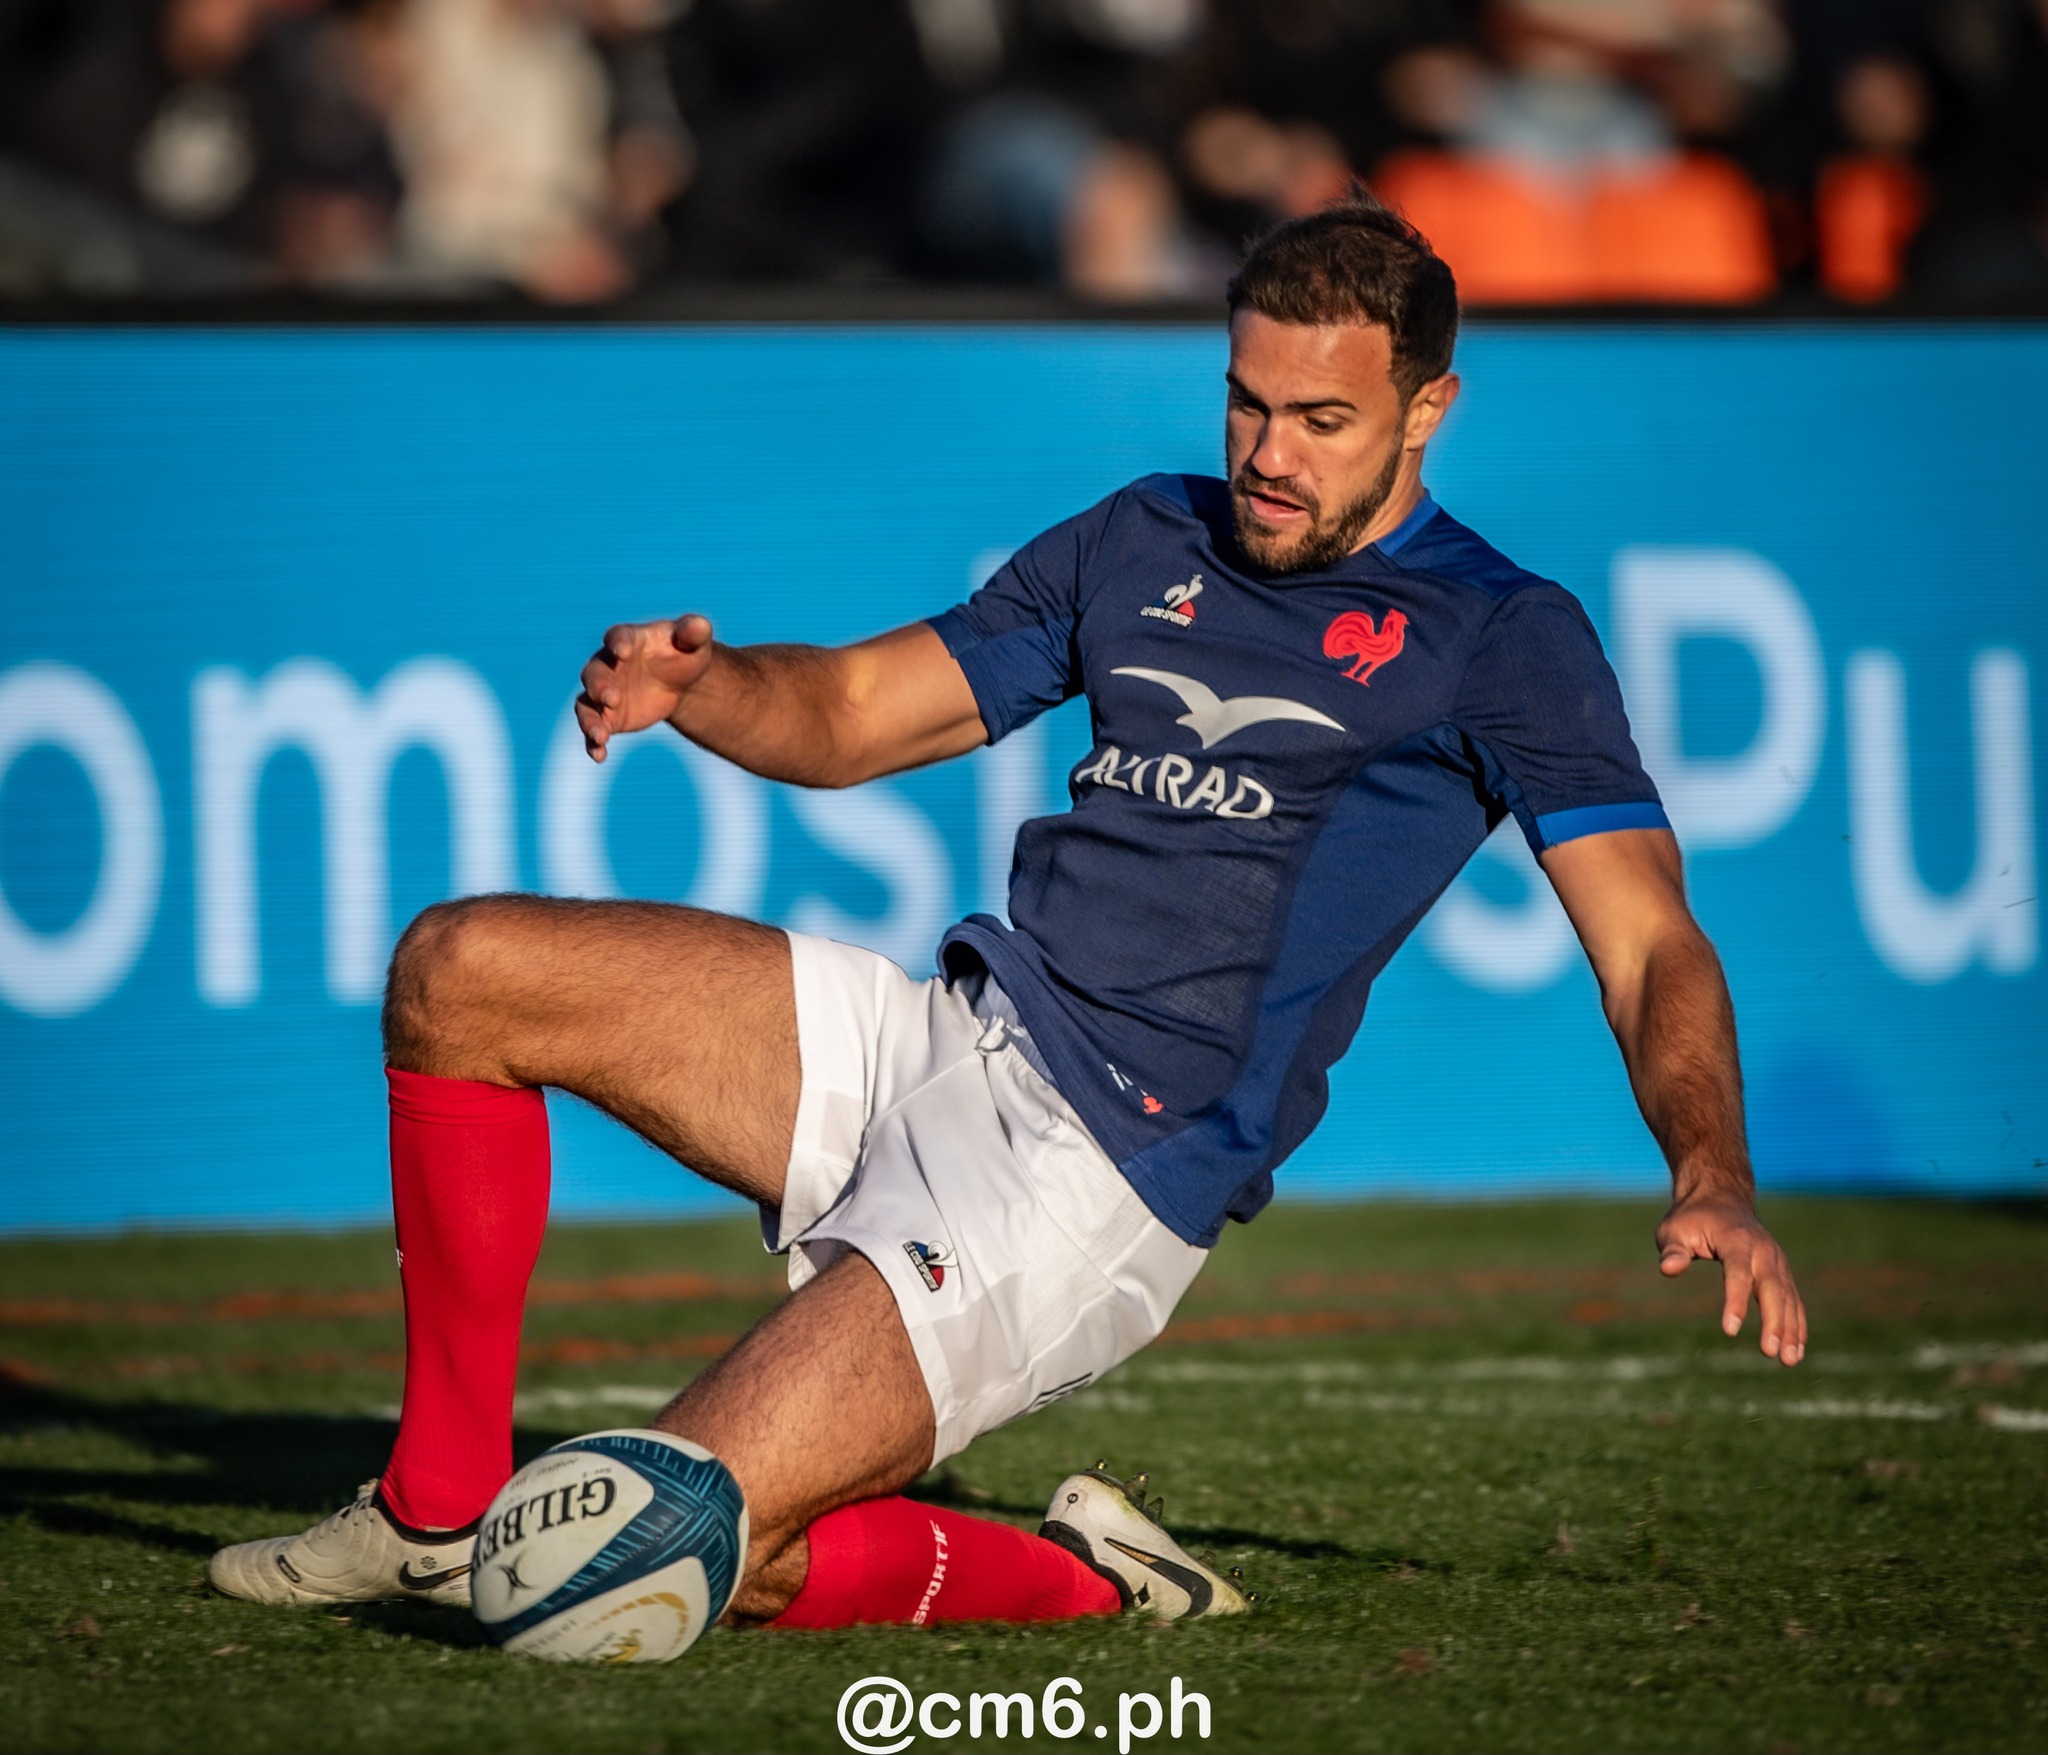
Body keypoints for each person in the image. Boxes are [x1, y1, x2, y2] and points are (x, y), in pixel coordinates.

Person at [208, 193, 1808, 1632]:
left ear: (1429, 410)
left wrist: (1713, 1170)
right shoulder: (1145, 533)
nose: (1269, 454)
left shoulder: (1503, 632)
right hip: (944, 1034)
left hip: (1094, 1179)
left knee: (648, 1538)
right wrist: (709, 689)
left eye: (1323, 420)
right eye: (1249, 403)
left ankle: (1083, 1582)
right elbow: (845, 714)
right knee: (461, 970)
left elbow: (1652, 939)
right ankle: (428, 1505)